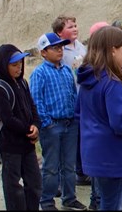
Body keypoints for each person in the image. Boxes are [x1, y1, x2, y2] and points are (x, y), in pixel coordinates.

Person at [76, 26, 122, 211]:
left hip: (94, 152)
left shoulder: (89, 80)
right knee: (112, 204)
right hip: (112, 155)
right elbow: (121, 123)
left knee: (106, 202)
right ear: (112, 50)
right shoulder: (112, 83)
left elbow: (83, 113)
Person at [30, 32, 87, 211]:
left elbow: (73, 95)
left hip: (70, 124)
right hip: (52, 125)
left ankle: (69, 198)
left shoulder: (66, 70)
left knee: (69, 166)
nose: (59, 51)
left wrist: (76, 117)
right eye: (54, 48)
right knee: (51, 167)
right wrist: (47, 123)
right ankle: (47, 201)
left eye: (61, 47)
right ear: (43, 52)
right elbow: (37, 101)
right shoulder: (39, 73)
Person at [0, 45, 41, 210]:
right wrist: (28, 130)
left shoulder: (23, 83)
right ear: (3, 65)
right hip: (10, 145)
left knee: (34, 182)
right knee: (13, 186)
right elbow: (7, 119)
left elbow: (32, 107)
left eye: (20, 63)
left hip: (27, 143)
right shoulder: (0, 88)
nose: (19, 67)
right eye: (14, 65)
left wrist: (36, 125)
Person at [52, 15, 90, 187]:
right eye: (70, 27)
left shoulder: (81, 47)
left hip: (83, 96)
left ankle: (82, 172)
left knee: (81, 136)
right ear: (59, 32)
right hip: (68, 99)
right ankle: (61, 178)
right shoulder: (60, 52)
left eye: (75, 25)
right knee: (68, 139)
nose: (75, 29)